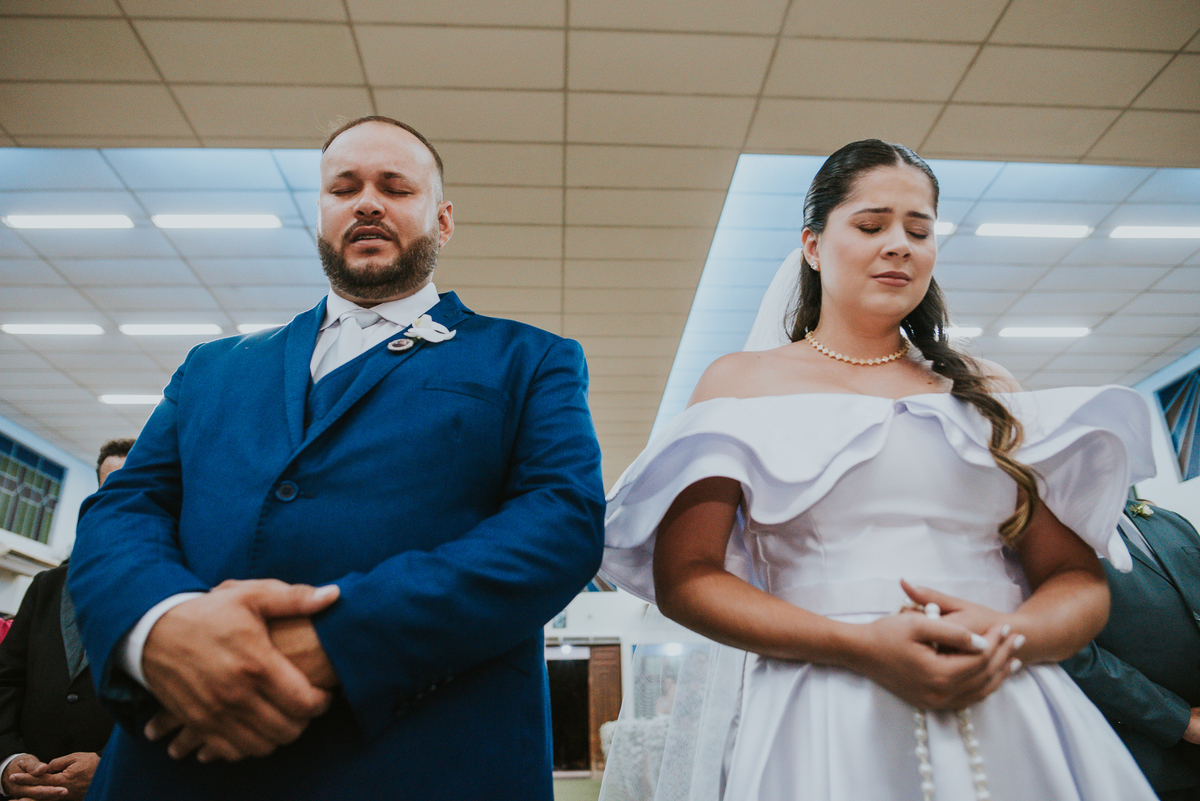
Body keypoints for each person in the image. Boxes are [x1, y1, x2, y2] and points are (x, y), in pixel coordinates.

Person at [599, 139, 1159, 800]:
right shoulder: (741, 384)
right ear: (812, 246)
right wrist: (858, 643)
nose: (899, 245)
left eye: (919, 231)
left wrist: (1010, 633)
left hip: (1005, 698)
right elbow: (687, 578)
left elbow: (1075, 580)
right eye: (871, 226)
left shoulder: (987, 389)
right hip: (825, 702)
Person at [67, 116, 606, 801]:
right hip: (179, 760)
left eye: (395, 187)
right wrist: (160, 625)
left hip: (423, 759)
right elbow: (124, 508)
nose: (367, 203)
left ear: (442, 221)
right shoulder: (212, 367)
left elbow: (561, 523)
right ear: (320, 216)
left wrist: (335, 640)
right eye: (344, 188)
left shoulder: (529, 359)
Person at [0, 438, 132, 800]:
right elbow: (7, 680)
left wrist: (109, 765)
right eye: (110, 486)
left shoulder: (178, 589)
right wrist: (8, 760)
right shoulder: (48, 585)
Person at [1062, 497, 1200, 800]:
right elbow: (1072, 652)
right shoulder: (1050, 538)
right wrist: (1179, 720)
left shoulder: (1166, 520)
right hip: (1155, 764)